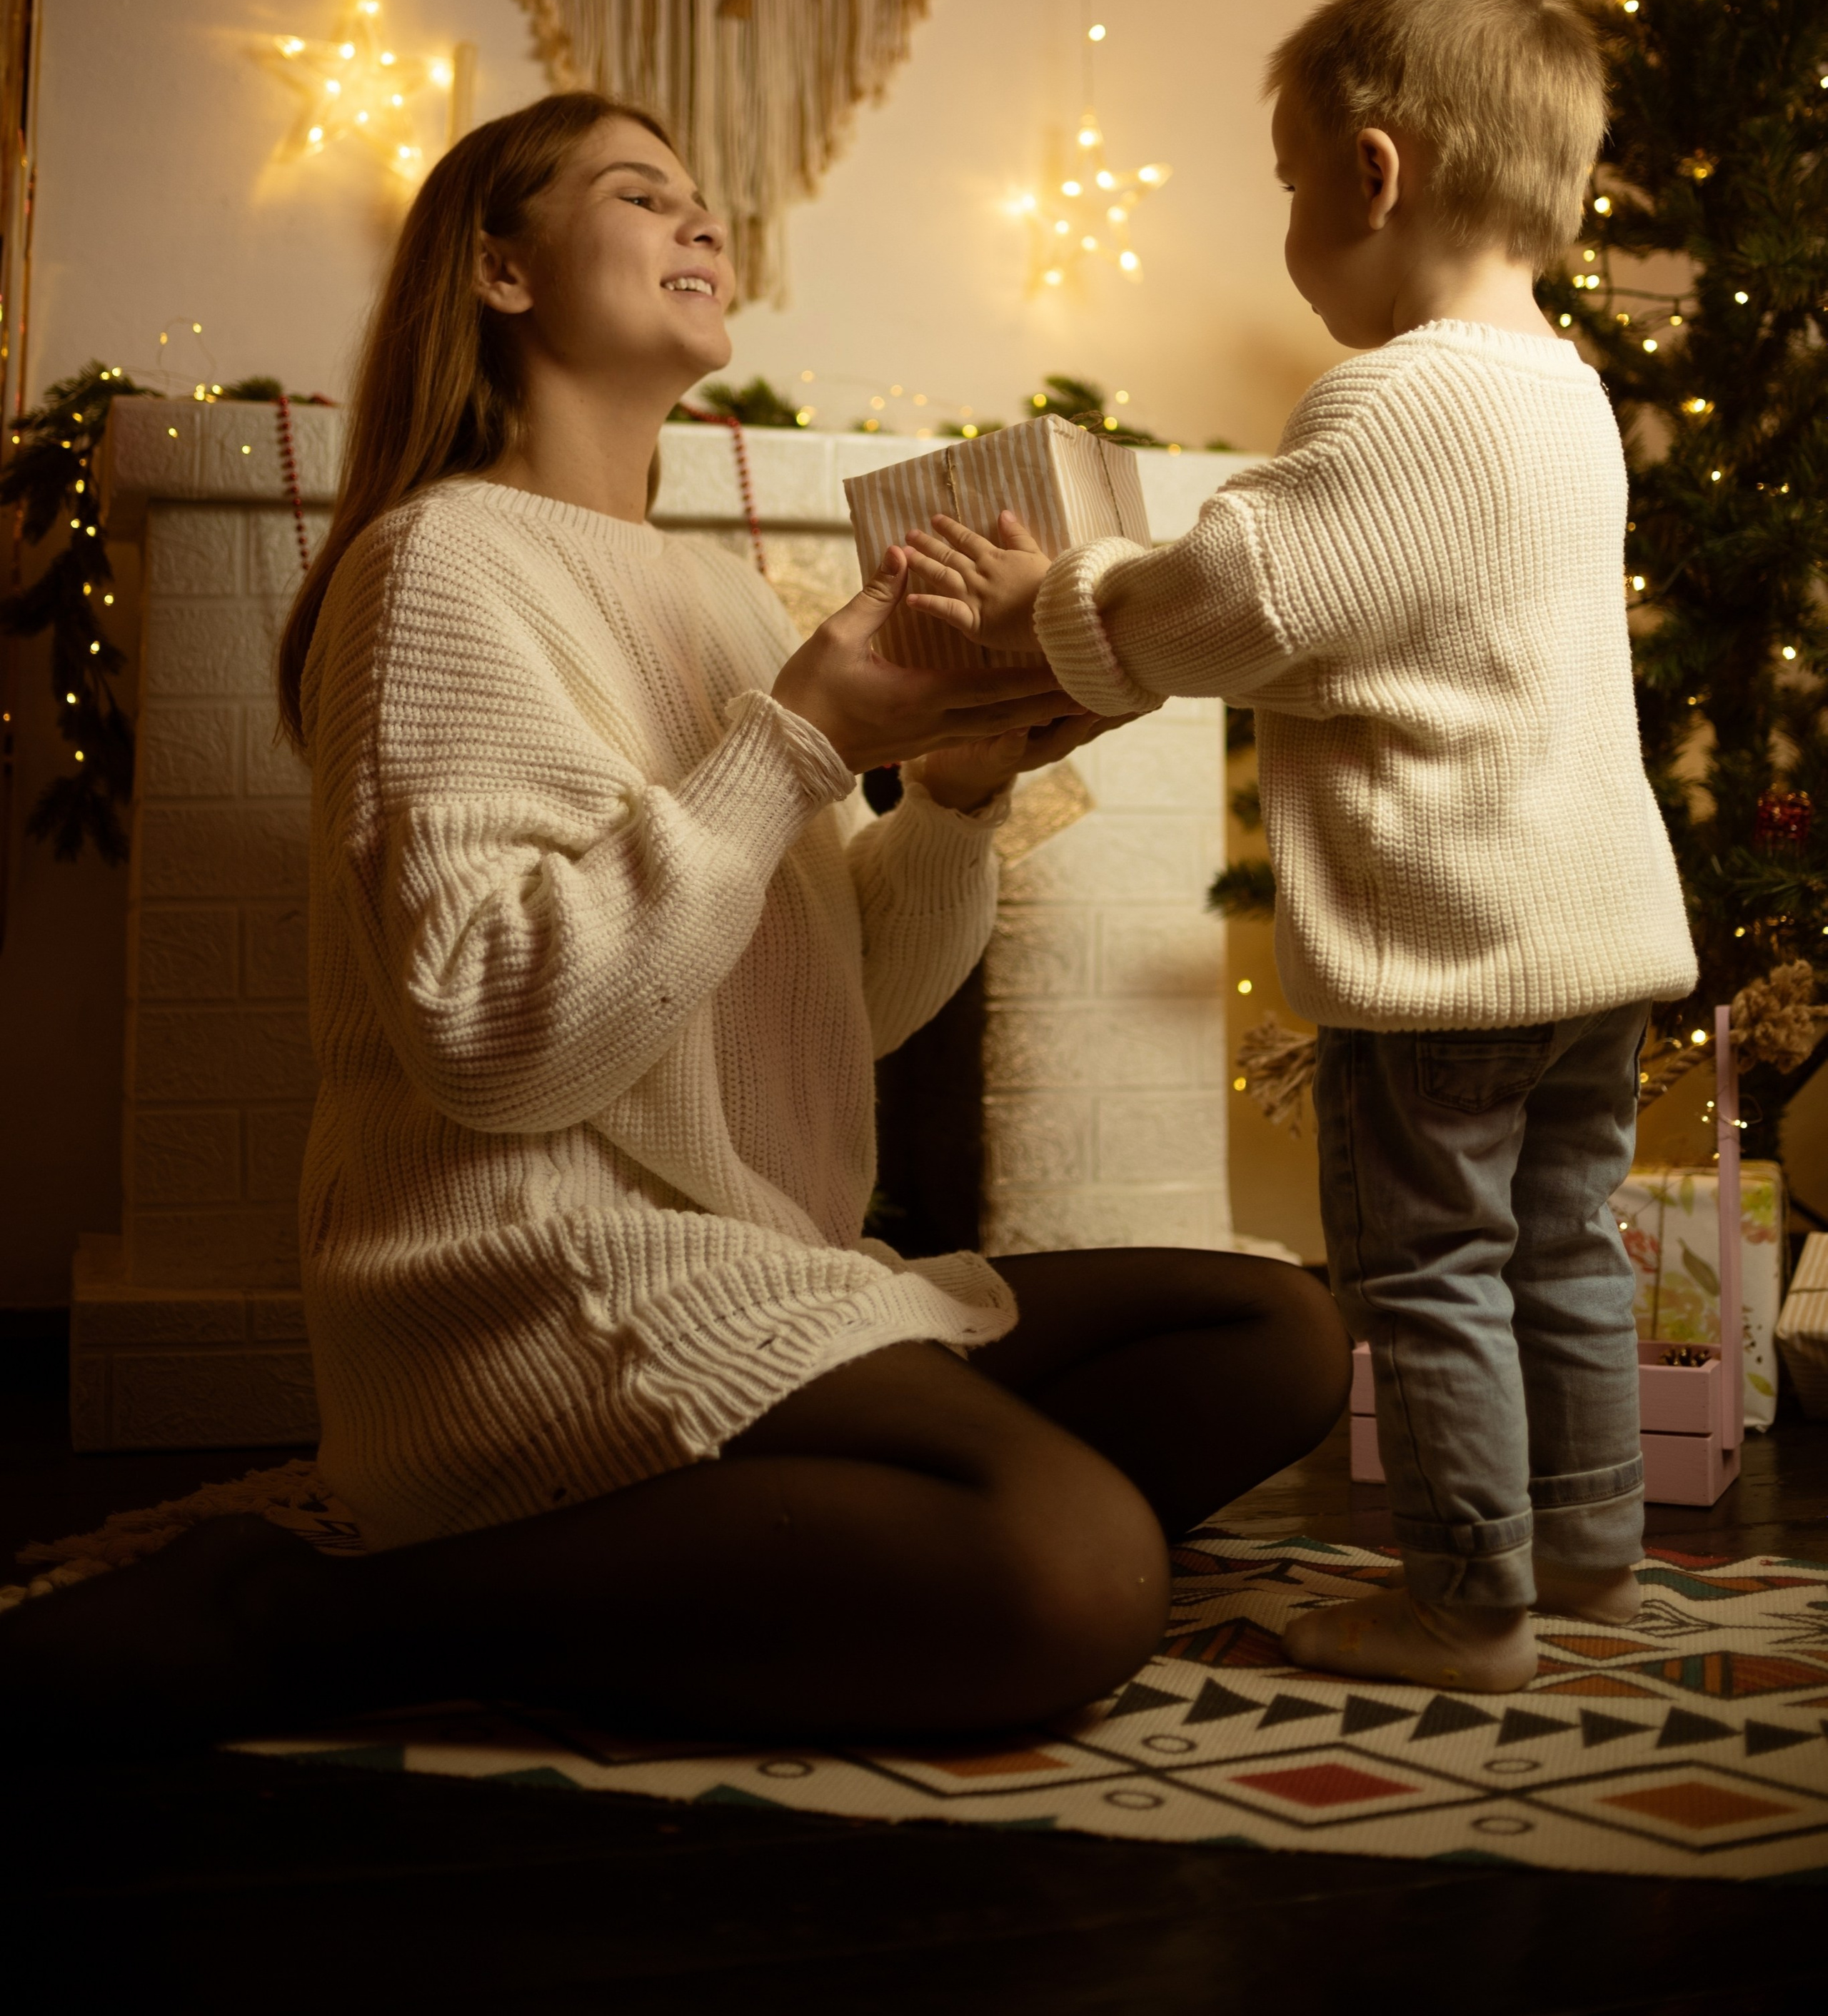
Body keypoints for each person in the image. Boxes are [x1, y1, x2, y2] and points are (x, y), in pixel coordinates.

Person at [0, 91, 1347, 1756]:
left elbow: (831, 1015)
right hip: (530, 1284)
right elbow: (494, 1044)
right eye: (642, 195)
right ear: (499, 269)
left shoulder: (719, 595)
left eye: (704, 201)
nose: (702, 222)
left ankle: (783, 1533)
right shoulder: (434, 566)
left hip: (768, 1270)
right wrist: (798, 735)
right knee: (1070, 1574)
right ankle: (307, 1616)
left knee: (1273, 1332)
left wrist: (952, 794)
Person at [900, 0, 1697, 1694]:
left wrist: (1053, 597)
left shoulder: (1397, 400)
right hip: (1590, 933)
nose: (1285, 219)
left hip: (1451, 946)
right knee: (1561, 1246)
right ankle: (1584, 1548)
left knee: (1426, 1266)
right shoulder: (1563, 391)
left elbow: (1236, 604)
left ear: (1371, 172)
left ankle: (1464, 1605)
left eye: (1286, 183)